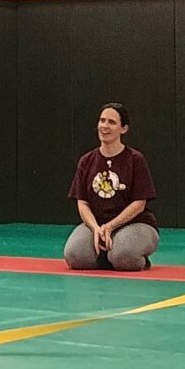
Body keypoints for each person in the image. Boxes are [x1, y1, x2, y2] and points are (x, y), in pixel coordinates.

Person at [64, 102, 159, 271]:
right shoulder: (86, 161)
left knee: (124, 257)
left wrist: (111, 226)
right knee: (75, 256)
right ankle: (109, 257)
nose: (104, 126)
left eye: (112, 122)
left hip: (135, 224)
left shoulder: (135, 160)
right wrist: (95, 228)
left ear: (124, 129)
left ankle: (127, 257)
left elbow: (139, 204)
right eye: (102, 120)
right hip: (98, 224)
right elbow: (82, 202)